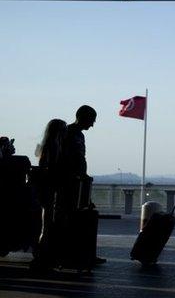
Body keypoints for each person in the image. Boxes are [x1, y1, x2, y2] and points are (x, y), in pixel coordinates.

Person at [61, 105, 105, 264]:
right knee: (73, 219)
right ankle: (76, 254)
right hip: (71, 184)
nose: (92, 125)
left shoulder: (77, 134)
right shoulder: (68, 133)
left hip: (78, 182)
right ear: (82, 117)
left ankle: (84, 254)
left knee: (82, 216)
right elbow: (72, 159)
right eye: (91, 120)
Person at [30, 119, 68, 270]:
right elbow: (51, 169)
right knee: (46, 224)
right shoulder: (54, 146)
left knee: (46, 222)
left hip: (45, 189)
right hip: (49, 189)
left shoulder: (46, 145)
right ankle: (42, 254)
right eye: (63, 129)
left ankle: (42, 254)